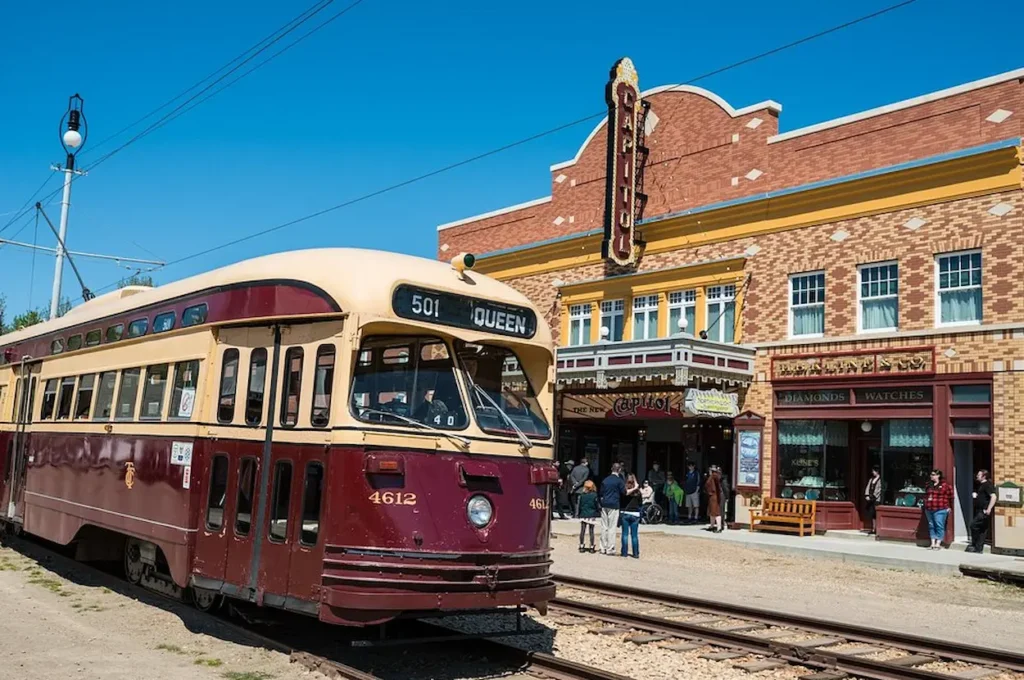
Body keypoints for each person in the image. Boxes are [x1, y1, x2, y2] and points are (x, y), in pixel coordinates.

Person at [967, 469, 997, 553]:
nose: (977, 476)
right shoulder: (980, 485)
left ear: (984, 476)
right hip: (979, 509)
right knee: (982, 529)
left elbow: (993, 496)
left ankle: (974, 544)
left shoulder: (987, 485)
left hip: (983, 510)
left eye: (979, 475)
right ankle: (978, 548)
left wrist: (989, 509)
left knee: (973, 526)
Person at [599, 463, 626, 555]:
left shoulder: (605, 480)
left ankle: (602, 547)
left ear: (611, 469)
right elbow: (624, 492)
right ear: (619, 470)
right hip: (614, 504)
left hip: (604, 504)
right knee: (612, 527)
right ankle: (610, 548)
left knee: (604, 527)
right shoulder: (619, 480)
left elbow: (601, 493)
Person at [923, 469, 953, 550]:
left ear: (938, 475)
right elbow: (925, 495)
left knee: (939, 525)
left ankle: (938, 543)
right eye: (931, 474)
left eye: (933, 474)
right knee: (931, 525)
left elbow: (951, 496)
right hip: (929, 508)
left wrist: (949, 507)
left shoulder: (945, 485)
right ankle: (932, 543)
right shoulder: (928, 484)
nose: (931, 476)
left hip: (940, 508)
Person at [620, 473, 642, 558]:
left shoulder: (624, 490)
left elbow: (621, 500)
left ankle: (624, 552)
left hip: (625, 512)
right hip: (635, 513)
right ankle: (635, 553)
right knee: (634, 535)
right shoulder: (638, 492)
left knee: (625, 534)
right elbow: (640, 503)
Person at [577, 480, 600, 553]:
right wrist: (598, 512)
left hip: (583, 513)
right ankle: (592, 546)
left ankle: (581, 545)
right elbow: (596, 505)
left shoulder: (582, 495)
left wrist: (579, 513)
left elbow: (580, 505)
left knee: (582, 530)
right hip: (591, 513)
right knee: (591, 531)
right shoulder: (594, 495)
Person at [864, 466, 882, 534]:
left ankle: (877, 529)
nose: (872, 472)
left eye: (873, 471)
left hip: (876, 499)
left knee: (876, 514)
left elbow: (879, 490)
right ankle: (873, 528)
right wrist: (867, 495)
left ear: (877, 471)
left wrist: (873, 497)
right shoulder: (871, 479)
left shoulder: (880, 480)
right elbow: (868, 487)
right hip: (870, 499)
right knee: (872, 514)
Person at [705, 466, 722, 533]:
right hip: (711, 496)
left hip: (714, 495)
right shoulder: (710, 476)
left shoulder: (714, 475)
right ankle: (712, 526)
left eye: (710, 469)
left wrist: (715, 472)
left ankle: (719, 527)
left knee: (716, 511)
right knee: (711, 511)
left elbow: (717, 484)